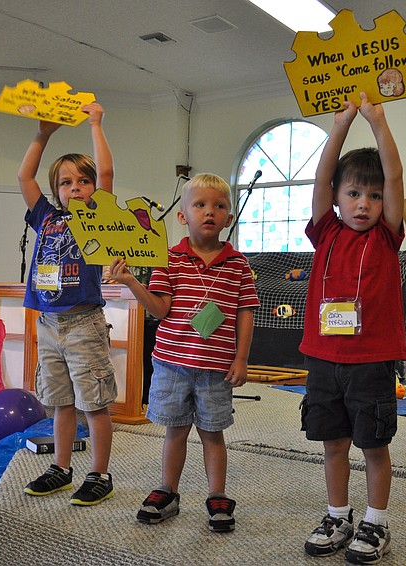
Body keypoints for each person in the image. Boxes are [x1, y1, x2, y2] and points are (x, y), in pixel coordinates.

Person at [110, 173, 259, 532]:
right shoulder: (169, 259)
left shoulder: (238, 265)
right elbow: (160, 310)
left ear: (229, 218)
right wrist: (132, 282)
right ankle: (168, 491)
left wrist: (241, 357)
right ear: (183, 215)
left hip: (216, 368)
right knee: (175, 431)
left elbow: (245, 311)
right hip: (172, 364)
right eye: (200, 204)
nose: (210, 212)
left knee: (212, 433)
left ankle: (217, 495)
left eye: (219, 206)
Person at [299, 92, 406, 564]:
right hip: (324, 360)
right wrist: (340, 123)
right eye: (354, 194)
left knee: (374, 445)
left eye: (375, 195)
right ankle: (337, 515)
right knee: (333, 443)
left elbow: (396, 174)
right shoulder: (325, 230)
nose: (364, 204)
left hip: (371, 364)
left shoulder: (387, 235)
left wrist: (378, 122)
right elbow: (323, 175)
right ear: (338, 199)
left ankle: (375, 523)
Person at [18, 102, 118, 506]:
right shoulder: (45, 216)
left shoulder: (95, 215)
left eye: (82, 181)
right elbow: (24, 175)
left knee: (93, 403)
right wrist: (43, 135)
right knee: (58, 402)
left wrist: (96, 123)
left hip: (84, 323)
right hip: (48, 323)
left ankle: (100, 474)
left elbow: (108, 173)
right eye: (65, 182)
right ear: (56, 189)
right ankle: (61, 467)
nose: (74, 188)